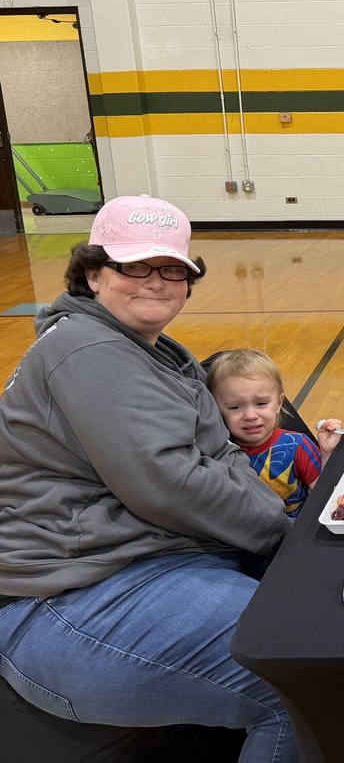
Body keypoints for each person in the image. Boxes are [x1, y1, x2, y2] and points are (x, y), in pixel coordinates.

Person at [0, 195, 297, 762]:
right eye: (133, 267)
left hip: (140, 567)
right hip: (72, 604)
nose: (155, 282)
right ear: (92, 273)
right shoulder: (88, 350)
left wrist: (264, 514)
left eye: (171, 269)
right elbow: (171, 483)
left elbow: (221, 457)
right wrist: (279, 527)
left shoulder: (149, 351)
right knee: (304, 680)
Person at [207, 348, 344, 519]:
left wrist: (327, 454)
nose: (250, 415)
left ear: (279, 403)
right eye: (235, 407)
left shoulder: (297, 445)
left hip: (294, 532)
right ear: (216, 409)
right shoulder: (218, 453)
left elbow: (325, 495)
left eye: (261, 403)